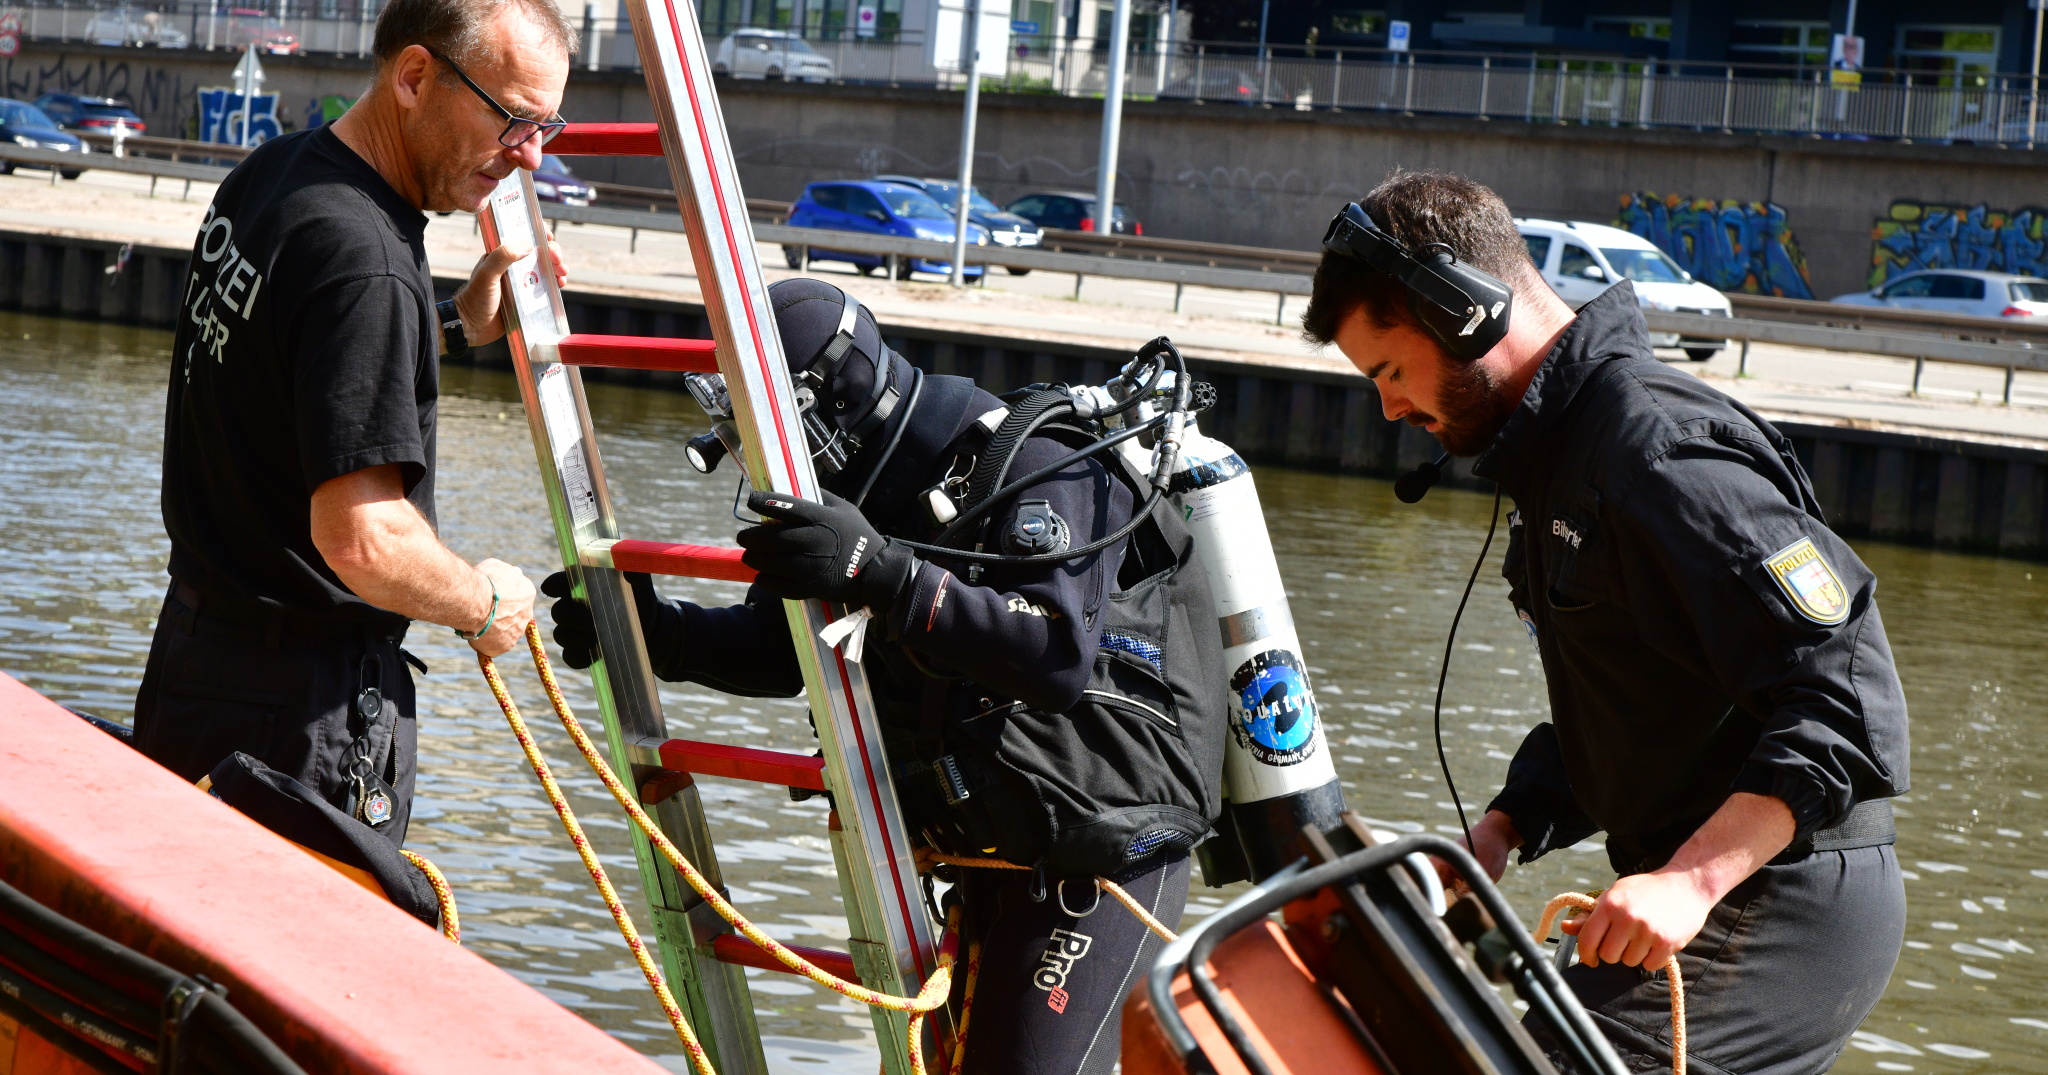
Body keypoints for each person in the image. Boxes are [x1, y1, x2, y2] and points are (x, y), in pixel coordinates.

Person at [1301, 172, 1908, 1075]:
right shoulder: (1564, 462)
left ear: (1462, 310)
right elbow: (1630, 703)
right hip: (1716, 888)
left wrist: (1690, 881)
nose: (1389, 408)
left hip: (1777, 896)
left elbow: (1851, 687)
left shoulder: (1653, 451)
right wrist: (1501, 831)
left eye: (1389, 371)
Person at [545, 278, 1225, 1075]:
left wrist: (884, 571)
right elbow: (778, 650)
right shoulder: (854, 494)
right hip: (983, 857)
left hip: (1100, 859)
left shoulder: (1040, 461)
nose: (749, 458)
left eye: (760, 434)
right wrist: (657, 633)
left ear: (830, 405)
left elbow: (1053, 659)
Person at [135, 0, 580, 845]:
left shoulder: (274, 175)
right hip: (294, 720)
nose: (528, 157)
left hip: (196, 665)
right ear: (414, 76)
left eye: (545, 127)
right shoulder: (367, 260)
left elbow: (296, 374)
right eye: (514, 121)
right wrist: (484, 603)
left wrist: (449, 322)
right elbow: (363, 540)